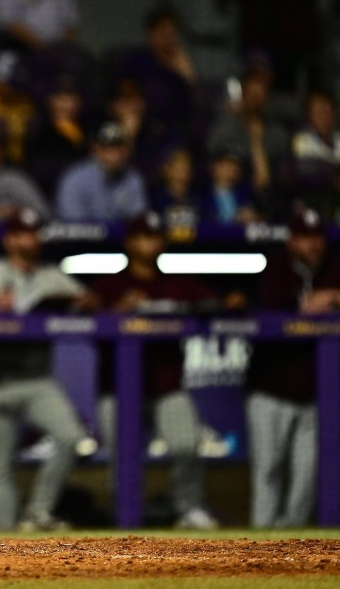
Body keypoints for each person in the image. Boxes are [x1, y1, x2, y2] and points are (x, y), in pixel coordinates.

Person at [85, 212, 238, 530]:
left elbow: (217, 304)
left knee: (186, 443)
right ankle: (123, 514)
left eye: (154, 237)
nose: (149, 243)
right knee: (123, 456)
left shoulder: (177, 284)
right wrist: (116, 313)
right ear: (129, 243)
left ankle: (189, 508)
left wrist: (229, 302)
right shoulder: (110, 286)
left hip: (166, 386)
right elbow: (87, 326)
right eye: (142, 237)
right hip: (118, 389)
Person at [0, 207, 90, 530]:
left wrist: (84, 302)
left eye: (32, 233)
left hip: (36, 379)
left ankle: (37, 512)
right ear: (8, 239)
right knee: (1, 465)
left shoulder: (51, 276)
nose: (28, 240)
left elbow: (88, 300)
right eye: (20, 233)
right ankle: (5, 543)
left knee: (70, 436)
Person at [249, 207, 340, 528]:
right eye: (304, 238)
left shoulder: (335, 268)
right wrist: (306, 308)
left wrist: (339, 297)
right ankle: (259, 540)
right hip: (270, 388)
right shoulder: (274, 268)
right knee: (268, 469)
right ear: (292, 241)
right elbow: (272, 309)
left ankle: (290, 546)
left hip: (316, 392)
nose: (312, 245)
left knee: (308, 471)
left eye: (316, 237)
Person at [207, 65, 290, 194]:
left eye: (260, 94)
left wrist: (256, 142)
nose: (255, 99)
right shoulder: (225, 128)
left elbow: (267, 181)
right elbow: (213, 161)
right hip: (229, 194)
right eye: (251, 93)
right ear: (243, 93)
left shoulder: (277, 134)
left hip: (266, 198)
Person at [120, 8, 197, 143]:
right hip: (146, 121)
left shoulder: (181, 63)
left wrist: (189, 76)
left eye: (171, 33)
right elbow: (126, 88)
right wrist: (135, 99)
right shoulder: (138, 60)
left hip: (175, 125)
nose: (167, 39)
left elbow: (195, 102)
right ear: (151, 33)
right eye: (162, 33)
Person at [54, 122, 148, 221]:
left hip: (122, 236)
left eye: (119, 147)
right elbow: (72, 226)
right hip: (83, 236)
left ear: (127, 150)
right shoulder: (75, 179)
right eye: (108, 148)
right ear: (95, 149)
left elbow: (139, 222)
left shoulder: (132, 178)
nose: (114, 155)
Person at [291, 89, 340, 166]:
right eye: (318, 112)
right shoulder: (301, 143)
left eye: (327, 111)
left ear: (335, 114)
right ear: (308, 116)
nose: (323, 117)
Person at [202, 148, 261, 225]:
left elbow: (262, 181)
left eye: (234, 165)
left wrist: (253, 217)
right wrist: (234, 219)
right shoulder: (202, 197)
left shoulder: (245, 193)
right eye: (226, 164)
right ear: (213, 168)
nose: (231, 169)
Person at [148, 147, 201, 231]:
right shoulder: (155, 199)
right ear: (166, 170)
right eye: (177, 168)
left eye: (185, 169)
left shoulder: (198, 199)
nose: (181, 174)